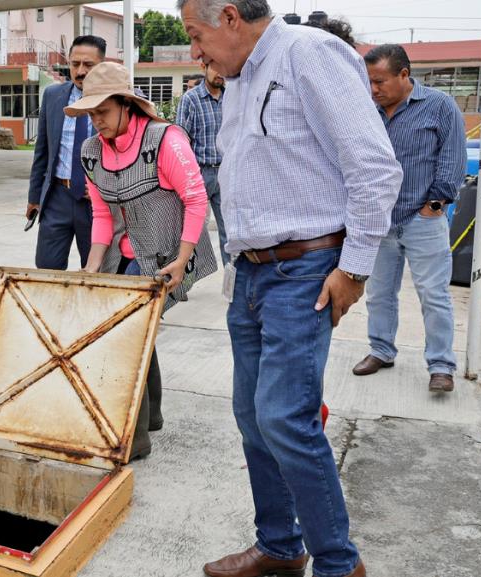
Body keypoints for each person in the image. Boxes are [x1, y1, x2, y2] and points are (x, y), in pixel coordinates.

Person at [177, 1, 403, 576]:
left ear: (229, 15)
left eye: (196, 34)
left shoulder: (309, 53)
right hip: (252, 272)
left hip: (304, 269)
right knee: (254, 417)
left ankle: (337, 563)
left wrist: (353, 268)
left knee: (285, 417)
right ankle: (280, 547)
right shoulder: (243, 79)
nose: (195, 51)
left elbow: (374, 165)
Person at [72, 62, 219, 459]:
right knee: (136, 333)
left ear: (126, 105)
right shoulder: (91, 152)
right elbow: (102, 215)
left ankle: (132, 441)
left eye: (102, 112)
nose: (95, 121)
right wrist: (91, 266)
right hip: (120, 253)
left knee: (126, 337)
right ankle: (150, 415)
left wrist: (183, 257)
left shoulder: (164, 140)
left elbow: (195, 199)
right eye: (90, 113)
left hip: (165, 254)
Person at [352, 44, 465, 393]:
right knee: (379, 293)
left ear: (404, 75)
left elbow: (453, 156)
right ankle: (381, 350)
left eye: (380, 81)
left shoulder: (439, 106)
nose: (373, 89)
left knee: (433, 294)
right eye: (369, 82)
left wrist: (435, 202)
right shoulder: (367, 110)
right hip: (380, 221)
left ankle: (441, 365)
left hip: (423, 220)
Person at [27, 35, 107, 270]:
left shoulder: (115, 102)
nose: (80, 71)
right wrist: (34, 197)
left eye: (88, 65)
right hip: (57, 197)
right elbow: (42, 151)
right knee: (47, 268)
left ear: (101, 65)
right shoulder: (53, 96)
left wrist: (103, 188)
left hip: (95, 204)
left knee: (96, 274)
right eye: (75, 64)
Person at [177, 62, 228, 264]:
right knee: (191, 232)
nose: (220, 73)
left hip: (225, 174)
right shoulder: (191, 99)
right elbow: (180, 140)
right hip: (199, 173)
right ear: (204, 67)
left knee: (229, 234)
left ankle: (231, 288)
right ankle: (181, 281)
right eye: (215, 66)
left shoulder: (231, 98)